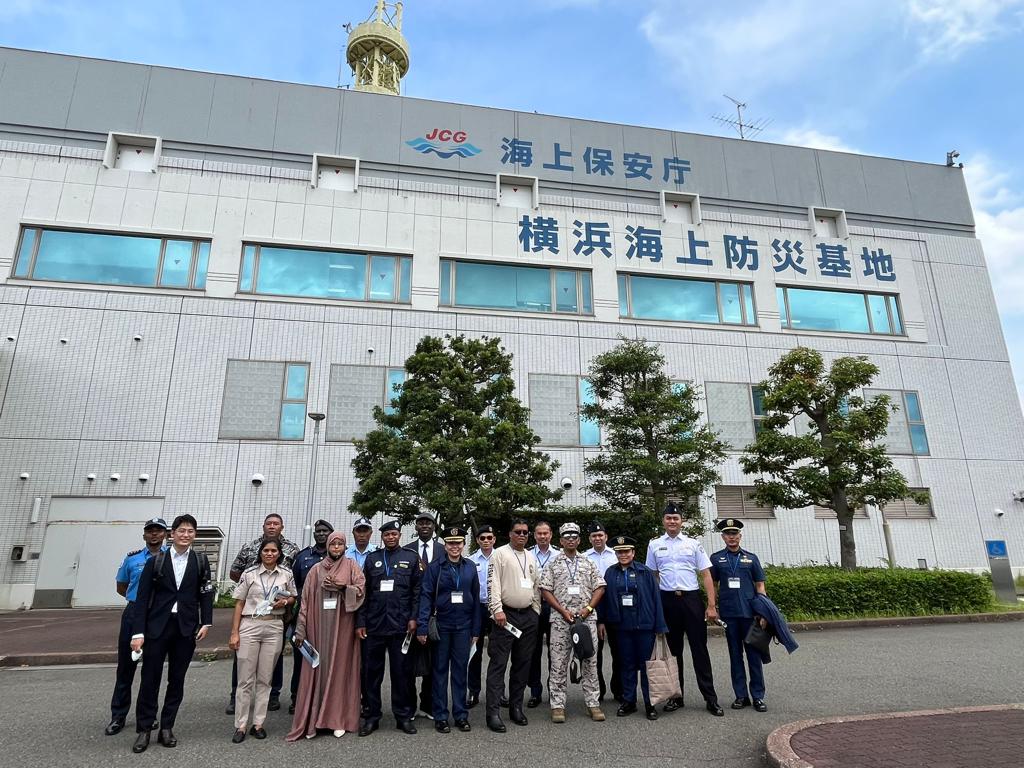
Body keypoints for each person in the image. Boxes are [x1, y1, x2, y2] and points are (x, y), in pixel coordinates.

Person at [129, 514, 213, 753]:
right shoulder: (156, 560)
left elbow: (206, 592)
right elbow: (142, 598)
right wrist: (138, 632)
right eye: (181, 531)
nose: (186, 535)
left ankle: (167, 726)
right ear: (172, 534)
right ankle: (144, 729)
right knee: (150, 679)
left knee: (177, 679)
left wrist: (206, 622)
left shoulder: (199, 560)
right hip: (158, 627)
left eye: (190, 532)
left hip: (185, 628)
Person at [645, 503, 724, 716]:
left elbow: (706, 575)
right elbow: (652, 576)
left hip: (691, 600)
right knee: (673, 651)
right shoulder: (654, 545)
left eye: (676, 518)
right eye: (668, 518)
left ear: (682, 521)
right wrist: (656, 606)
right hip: (667, 601)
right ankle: (675, 697)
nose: (672, 521)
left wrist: (711, 605)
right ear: (663, 521)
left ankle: (710, 698)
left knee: (700, 649)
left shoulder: (693, 544)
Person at [287, 531, 366, 740]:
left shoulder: (352, 566)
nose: (337, 548)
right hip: (318, 625)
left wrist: (342, 588)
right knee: (317, 670)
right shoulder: (315, 570)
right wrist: (300, 629)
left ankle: (337, 718)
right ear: (328, 546)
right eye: (334, 544)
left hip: (344, 627)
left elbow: (361, 591)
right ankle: (314, 718)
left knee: (341, 671)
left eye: (340, 544)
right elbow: (304, 601)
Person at [227, 513, 299, 715]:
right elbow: (235, 571)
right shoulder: (250, 546)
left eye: (276, 524)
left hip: (278, 614)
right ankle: (236, 696)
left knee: (273, 655)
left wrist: (284, 599)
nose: (272, 526)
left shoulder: (292, 549)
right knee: (242, 658)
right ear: (264, 526)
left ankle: (273, 694)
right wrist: (252, 592)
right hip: (251, 613)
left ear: (282, 527)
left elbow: (295, 580)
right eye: (269, 523)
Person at [105, 518, 168, 737]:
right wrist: (139, 603)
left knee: (152, 669)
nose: (154, 535)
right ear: (144, 535)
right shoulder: (132, 559)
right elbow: (122, 586)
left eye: (158, 531)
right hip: (133, 613)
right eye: (150, 531)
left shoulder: (171, 557)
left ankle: (148, 716)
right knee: (125, 667)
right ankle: (118, 716)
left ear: (165, 534)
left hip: (158, 615)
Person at [357, 520, 422, 736]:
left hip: (401, 626)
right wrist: (361, 622)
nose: (391, 537)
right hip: (375, 626)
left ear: (400, 535)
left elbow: (417, 592)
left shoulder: (411, 558)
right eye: (387, 535)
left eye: (394, 534)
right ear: (382, 537)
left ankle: (403, 716)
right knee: (371, 674)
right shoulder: (372, 559)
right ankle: (372, 716)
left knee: (401, 673)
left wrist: (414, 618)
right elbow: (364, 593)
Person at [539, 522, 606, 723]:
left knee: (590, 661)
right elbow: (545, 590)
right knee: (558, 663)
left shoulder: (588, 562)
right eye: (567, 537)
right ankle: (558, 705)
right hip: (561, 621)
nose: (571, 540)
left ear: (579, 540)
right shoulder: (553, 564)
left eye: (574, 537)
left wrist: (588, 609)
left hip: (587, 621)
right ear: (560, 540)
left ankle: (593, 703)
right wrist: (561, 610)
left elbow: (600, 587)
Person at [417, 525, 481, 733]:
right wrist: (422, 627)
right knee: (440, 672)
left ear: (463, 545)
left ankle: (461, 715)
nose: (455, 547)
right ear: (445, 545)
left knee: (460, 672)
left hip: (463, 627)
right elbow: (425, 597)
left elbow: (476, 598)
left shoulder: (470, 567)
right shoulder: (435, 568)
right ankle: (441, 715)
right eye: (451, 543)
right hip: (442, 627)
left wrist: (476, 630)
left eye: (458, 543)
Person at [599, 536, 668, 721]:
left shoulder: (645, 572)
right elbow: (604, 599)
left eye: (626, 551)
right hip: (621, 627)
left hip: (644, 625)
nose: (623, 555)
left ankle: (649, 703)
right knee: (626, 665)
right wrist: (602, 621)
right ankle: (628, 700)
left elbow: (656, 598)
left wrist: (660, 625)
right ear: (616, 553)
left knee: (647, 666)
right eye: (620, 552)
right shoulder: (610, 573)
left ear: (633, 553)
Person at [485, 518, 541, 733]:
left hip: (527, 617)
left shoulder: (530, 556)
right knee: (498, 665)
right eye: (518, 531)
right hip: (504, 617)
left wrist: (535, 610)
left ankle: (516, 707)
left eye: (525, 532)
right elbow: (493, 583)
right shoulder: (499, 554)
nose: (522, 535)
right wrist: (496, 609)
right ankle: (493, 712)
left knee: (522, 664)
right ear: (510, 534)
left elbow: (536, 585)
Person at [709, 518, 768, 712]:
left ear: (740, 536)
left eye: (734, 534)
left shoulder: (751, 558)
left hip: (750, 615)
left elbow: (760, 585)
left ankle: (758, 696)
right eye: (728, 534)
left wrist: (763, 611)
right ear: (723, 537)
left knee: (754, 656)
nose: (731, 537)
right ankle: (741, 695)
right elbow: (713, 585)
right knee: (735, 656)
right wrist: (713, 606)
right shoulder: (717, 558)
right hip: (730, 615)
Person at [287, 519, 334, 714]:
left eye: (325, 531)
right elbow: (294, 584)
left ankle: (325, 697)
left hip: (330, 614)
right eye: (318, 531)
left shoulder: (339, 555)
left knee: (329, 658)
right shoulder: (304, 556)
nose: (321, 534)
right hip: (306, 612)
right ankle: (297, 696)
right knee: (302, 657)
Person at [404, 511, 444, 719]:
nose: (425, 526)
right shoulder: (407, 550)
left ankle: (428, 704)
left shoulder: (443, 549)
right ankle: (409, 707)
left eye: (428, 522)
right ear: (416, 527)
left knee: (434, 663)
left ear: (434, 526)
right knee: (409, 664)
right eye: (421, 523)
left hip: (436, 615)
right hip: (411, 614)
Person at [584, 520, 620, 703]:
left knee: (619, 651)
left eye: (600, 535)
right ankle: (598, 690)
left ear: (606, 536)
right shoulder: (584, 557)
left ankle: (618, 688)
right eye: (594, 536)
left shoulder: (616, 555)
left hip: (615, 608)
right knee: (594, 654)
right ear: (589, 539)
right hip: (592, 608)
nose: (597, 538)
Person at [526, 520, 558, 708]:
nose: (543, 536)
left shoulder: (559, 555)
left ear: (551, 534)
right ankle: (535, 692)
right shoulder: (528, 555)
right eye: (539, 533)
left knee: (555, 652)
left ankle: (554, 690)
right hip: (534, 607)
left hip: (553, 607)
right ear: (534, 535)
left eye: (546, 533)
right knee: (533, 651)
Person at [467, 525, 496, 707]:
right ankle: (473, 691)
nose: (486, 541)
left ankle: (497, 692)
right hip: (476, 608)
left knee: (498, 652)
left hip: (495, 608)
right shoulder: (470, 561)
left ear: (494, 540)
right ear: (477, 540)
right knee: (474, 651)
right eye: (482, 538)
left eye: (489, 537)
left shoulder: (501, 558)